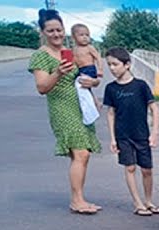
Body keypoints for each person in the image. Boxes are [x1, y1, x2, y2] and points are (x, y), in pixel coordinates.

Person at [28, 8, 101, 215]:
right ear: (43, 32)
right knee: (81, 153)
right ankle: (77, 200)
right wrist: (58, 72)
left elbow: (81, 78)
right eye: (50, 31)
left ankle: (79, 197)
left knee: (82, 155)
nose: (56, 34)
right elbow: (42, 87)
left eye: (59, 30)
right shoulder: (40, 56)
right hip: (62, 108)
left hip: (81, 105)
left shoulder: (70, 51)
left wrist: (93, 86)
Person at [103, 47, 159, 216]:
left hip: (141, 134)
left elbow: (154, 109)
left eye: (115, 64)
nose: (112, 68)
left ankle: (149, 201)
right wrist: (113, 139)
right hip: (123, 135)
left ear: (127, 64)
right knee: (129, 168)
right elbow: (111, 113)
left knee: (147, 169)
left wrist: (155, 132)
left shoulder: (141, 86)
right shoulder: (111, 88)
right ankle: (137, 203)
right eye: (109, 65)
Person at [69, 23, 101, 124]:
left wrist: (100, 69)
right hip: (80, 70)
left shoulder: (89, 48)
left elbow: (98, 58)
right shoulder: (74, 50)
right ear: (74, 37)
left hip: (89, 69)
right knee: (85, 89)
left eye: (87, 35)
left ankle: (93, 105)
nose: (85, 38)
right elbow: (74, 61)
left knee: (85, 87)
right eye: (81, 35)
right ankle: (94, 103)